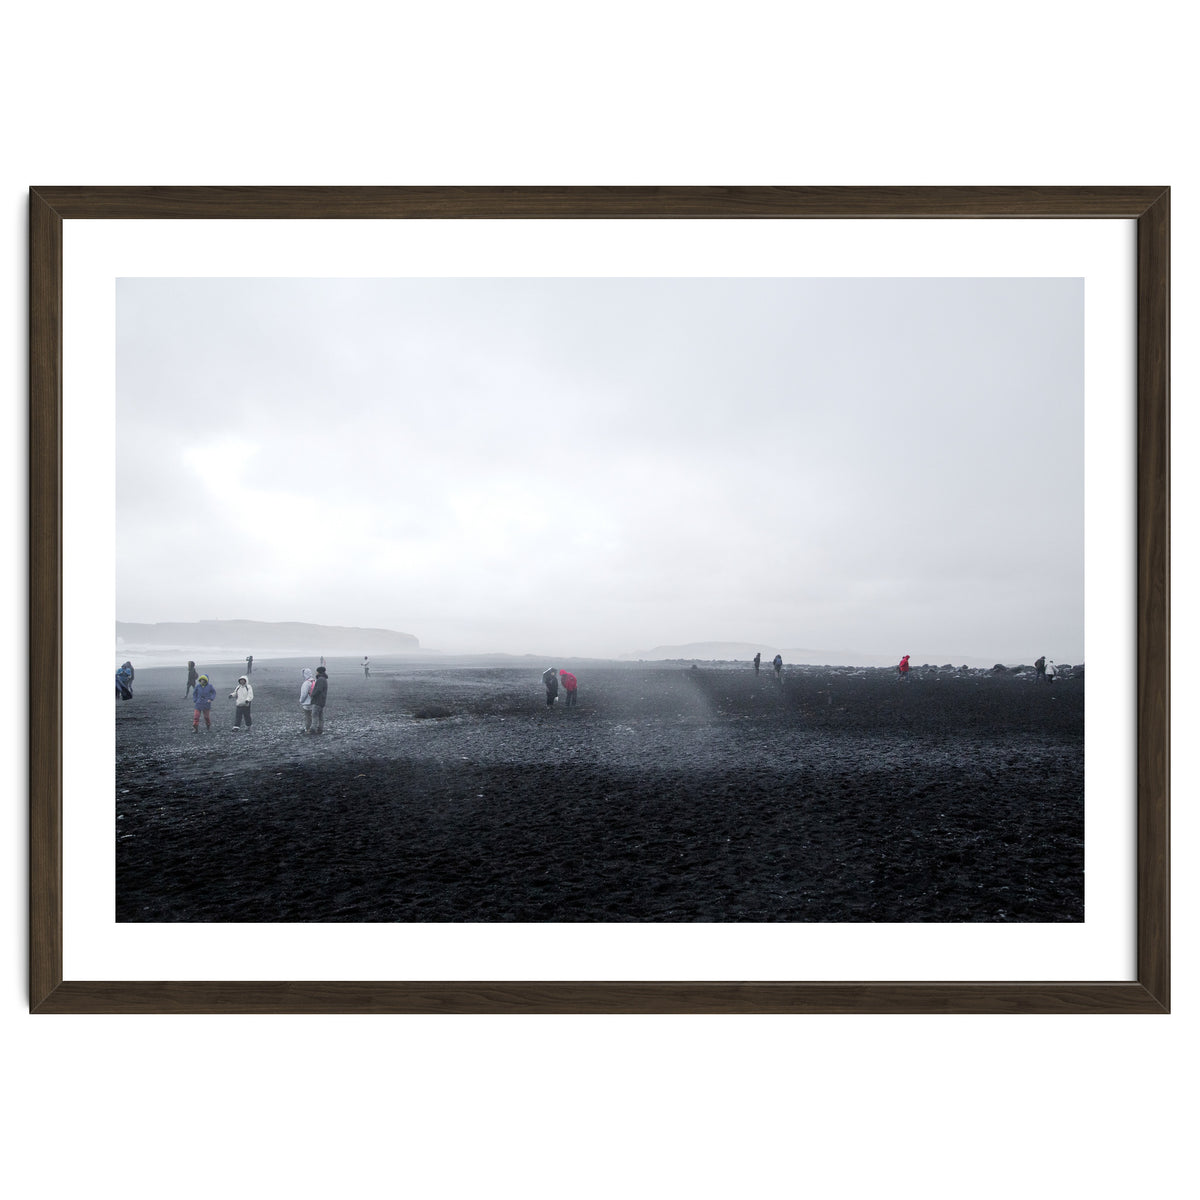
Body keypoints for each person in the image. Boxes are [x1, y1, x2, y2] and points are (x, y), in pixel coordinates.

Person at [310, 665, 329, 732]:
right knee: (320, 715)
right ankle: (320, 728)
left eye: (317, 671)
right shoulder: (324, 679)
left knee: (314, 715)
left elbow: (318, 690)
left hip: (318, 700)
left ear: (319, 672)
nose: (316, 672)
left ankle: (313, 729)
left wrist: (312, 694)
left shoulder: (320, 679)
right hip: (322, 701)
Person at [299, 667, 315, 733]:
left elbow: (304, 694)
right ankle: (314, 728)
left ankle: (308, 729)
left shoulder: (306, 683)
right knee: (313, 716)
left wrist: (301, 701)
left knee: (307, 717)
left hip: (307, 703)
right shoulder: (314, 681)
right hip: (314, 702)